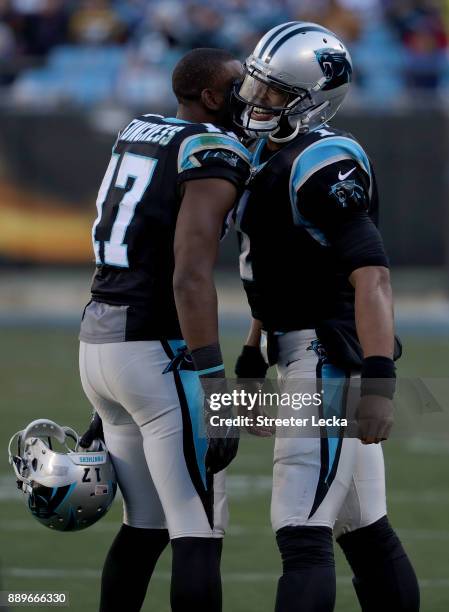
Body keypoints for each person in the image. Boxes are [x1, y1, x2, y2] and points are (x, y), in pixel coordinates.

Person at [232, 22, 420, 612]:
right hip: (297, 349)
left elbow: (373, 276)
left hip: (327, 360)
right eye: (256, 86)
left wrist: (379, 384)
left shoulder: (323, 159)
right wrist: (250, 356)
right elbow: (276, 273)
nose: (256, 102)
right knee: (362, 530)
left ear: (313, 102)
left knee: (299, 530)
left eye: (274, 93)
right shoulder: (273, 154)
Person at [78, 47, 250, 612]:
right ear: (210, 97)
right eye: (237, 85)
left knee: (145, 524)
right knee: (197, 527)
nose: (248, 95)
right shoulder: (212, 148)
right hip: (158, 350)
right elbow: (190, 276)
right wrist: (216, 382)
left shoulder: (139, 129)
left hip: (101, 344)